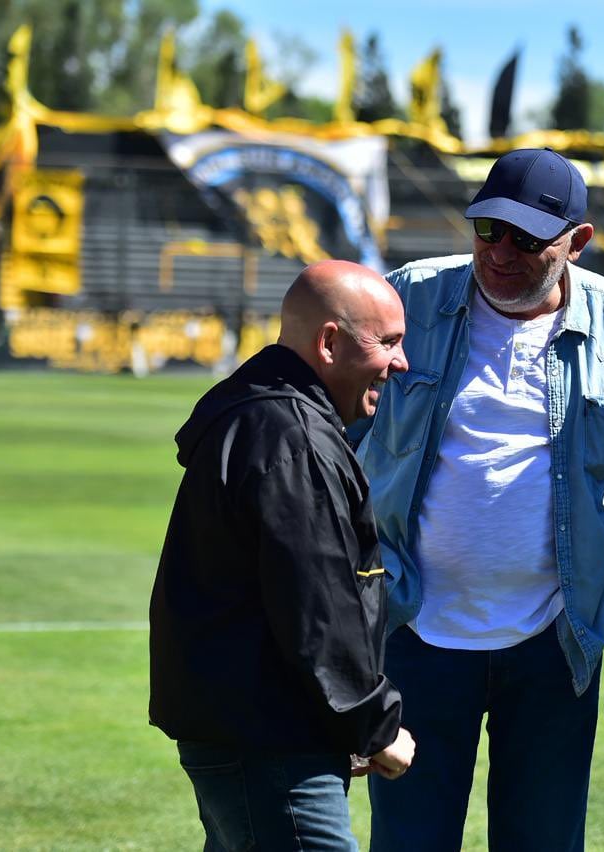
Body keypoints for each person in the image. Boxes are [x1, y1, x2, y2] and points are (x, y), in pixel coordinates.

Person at [356, 148, 604, 851]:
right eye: (488, 229)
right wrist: (368, 591)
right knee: (408, 842)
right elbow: (334, 444)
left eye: (528, 239)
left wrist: (592, 606)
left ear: (577, 241)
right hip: (414, 631)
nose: (501, 252)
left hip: (553, 646)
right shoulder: (408, 298)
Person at [149, 260, 416, 850]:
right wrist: (372, 724)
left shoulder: (267, 415)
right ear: (329, 343)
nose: (400, 362)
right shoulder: (291, 435)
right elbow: (318, 604)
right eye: (388, 342)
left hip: (255, 728)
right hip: (270, 739)